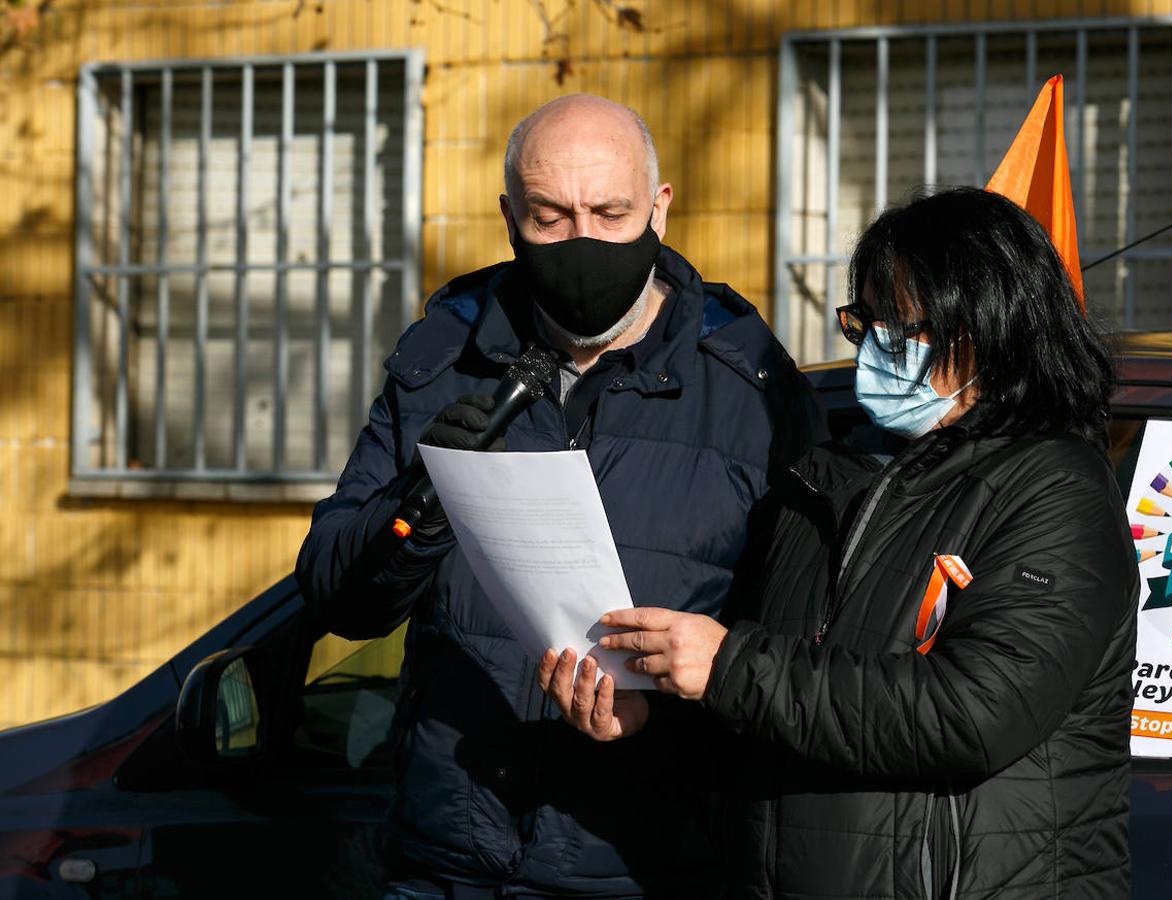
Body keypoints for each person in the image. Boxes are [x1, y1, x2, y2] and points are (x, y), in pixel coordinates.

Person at [296, 93, 822, 898]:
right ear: (509, 216)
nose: (582, 241)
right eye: (550, 216)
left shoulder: (751, 390)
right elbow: (337, 593)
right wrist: (424, 498)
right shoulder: (442, 357)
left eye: (611, 213)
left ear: (661, 207)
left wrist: (662, 724)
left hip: (646, 866)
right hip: (447, 860)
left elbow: (806, 661)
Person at [544, 187, 1140, 898]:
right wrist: (653, 720)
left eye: (904, 328)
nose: (876, 350)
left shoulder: (1052, 487)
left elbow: (974, 712)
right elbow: (775, 719)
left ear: (988, 328)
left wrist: (728, 665)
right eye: (866, 322)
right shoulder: (825, 482)